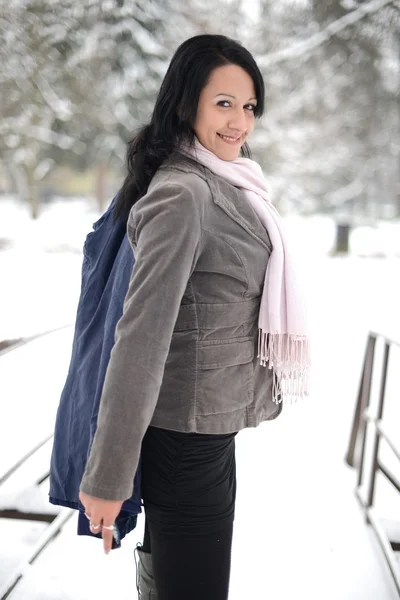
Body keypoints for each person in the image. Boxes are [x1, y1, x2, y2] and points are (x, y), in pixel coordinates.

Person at [79, 34, 310, 600]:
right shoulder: (184, 195)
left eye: (249, 105)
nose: (239, 122)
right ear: (186, 104)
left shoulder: (231, 182)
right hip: (183, 438)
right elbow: (139, 339)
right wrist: (108, 478)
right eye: (223, 103)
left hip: (207, 435)